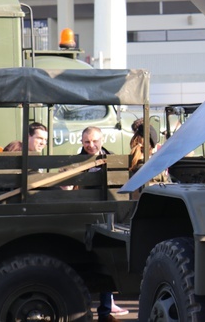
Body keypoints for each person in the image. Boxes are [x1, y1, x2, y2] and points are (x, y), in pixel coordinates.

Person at [77, 127, 129, 320]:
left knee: (106, 263)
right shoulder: (75, 160)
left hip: (108, 214)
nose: (91, 145)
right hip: (84, 214)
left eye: (94, 141)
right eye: (86, 142)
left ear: (102, 139)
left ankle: (105, 312)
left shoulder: (113, 159)